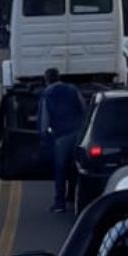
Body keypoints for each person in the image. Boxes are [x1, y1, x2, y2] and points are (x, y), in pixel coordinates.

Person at [37, 68, 86, 213]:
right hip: (78, 133)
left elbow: (44, 119)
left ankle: (60, 202)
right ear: (59, 77)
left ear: (46, 79)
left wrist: (43, 135)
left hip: (62, 136)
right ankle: (73, 195)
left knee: (60, 168)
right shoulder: (72, 89)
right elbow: (83, 108)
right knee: (76, 165)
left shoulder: (47, 94)